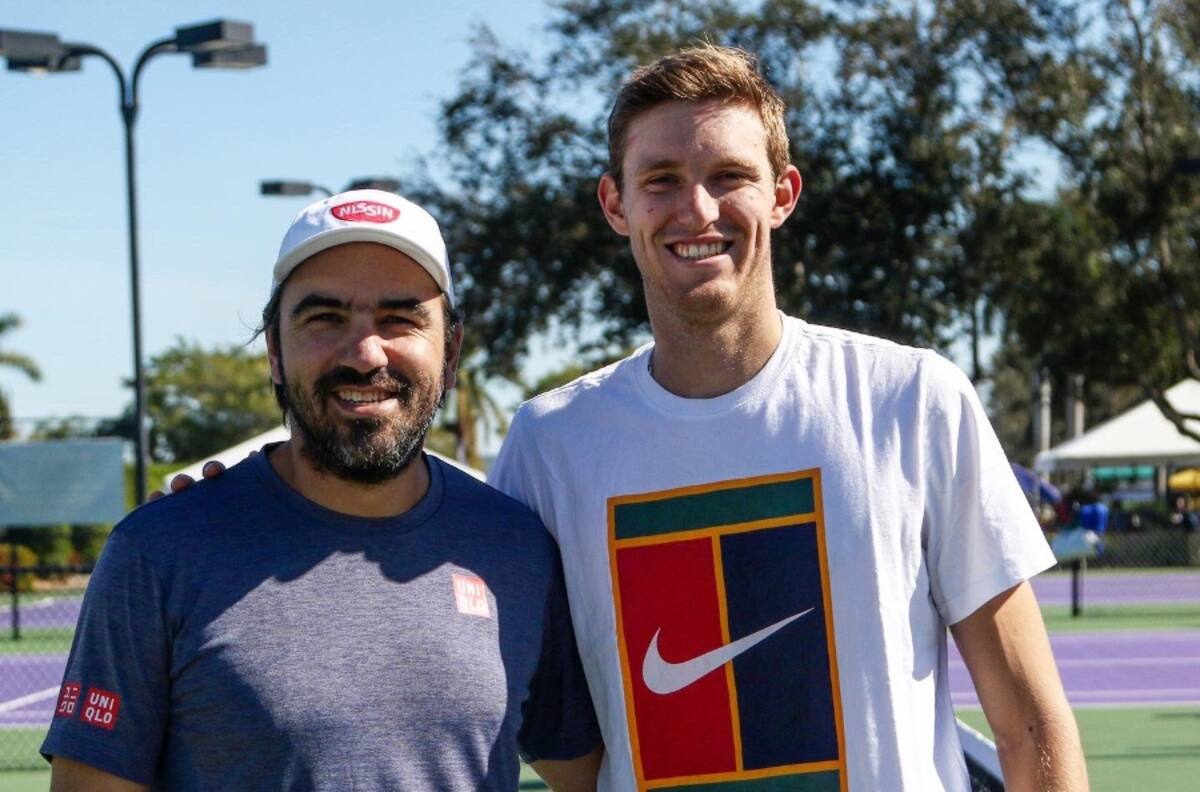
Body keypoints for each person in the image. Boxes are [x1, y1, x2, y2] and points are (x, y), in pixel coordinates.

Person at [487, 46, 1088, 791]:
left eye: (729, 176)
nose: (698, 209)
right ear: (615, 204)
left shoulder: (911, 398)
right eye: (662, 180)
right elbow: (553, 736)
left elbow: (1030, 721)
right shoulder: (549, 447)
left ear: (783, 192)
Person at [41, 190, 601, 791]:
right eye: (325, 318)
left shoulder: (516, 547)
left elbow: (595, 777)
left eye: (400, 319)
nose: (365, 355)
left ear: (452, 350)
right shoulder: (157, 553)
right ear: (275, 352)